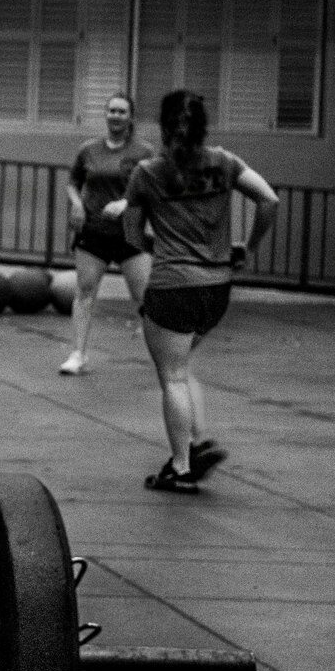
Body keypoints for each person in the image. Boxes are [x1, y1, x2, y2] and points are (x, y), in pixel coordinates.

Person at [122, 90, 277, 493]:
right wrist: (249, 247)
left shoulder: (148, 172)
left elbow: (132, 236)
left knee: (171, 376)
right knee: (183, 364)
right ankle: (195, 440)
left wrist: (164, 248)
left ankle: (181, 466)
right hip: (217, 288)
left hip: (173, 288)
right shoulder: (224, 163)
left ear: (162, 125)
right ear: (204, 127)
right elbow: (268, 199)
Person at [58, 92, 154, 375]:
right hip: (94, 232)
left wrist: (127, 203)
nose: (115, 116)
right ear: (106, 114)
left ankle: (163, 355)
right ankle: (77, 354)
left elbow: (153, 190)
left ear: (130, 117)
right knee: (85, 292)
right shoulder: (89, 149)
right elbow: (72, 182)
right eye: (111, 110)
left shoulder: (144, 153)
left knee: (144, 299)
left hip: (130, 233)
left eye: (122, 111)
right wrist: (76, 204)